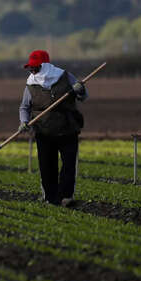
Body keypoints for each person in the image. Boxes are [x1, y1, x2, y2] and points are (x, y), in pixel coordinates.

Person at [18, 50, 88, 207]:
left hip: (67, 129)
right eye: (30, 68)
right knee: (46, 166)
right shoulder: (30, 85)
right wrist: (24, 121)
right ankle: (50, 198)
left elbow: (83, 97)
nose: (32, 70)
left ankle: (66, 196)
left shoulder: (65, 77)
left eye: (35, 67)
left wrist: (80, 90)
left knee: (69, 165)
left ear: (46, 66)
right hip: (43, 131)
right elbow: (24, 107)